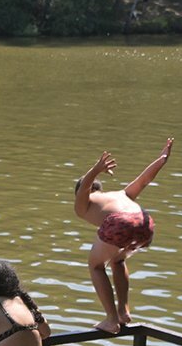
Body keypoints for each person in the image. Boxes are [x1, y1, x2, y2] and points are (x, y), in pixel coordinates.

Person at [73, 138, 174, 334]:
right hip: (145, 222)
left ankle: (111, 320)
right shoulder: (122, 194)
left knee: (95, 265)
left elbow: (84, 188)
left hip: (120, 223)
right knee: (117, 261)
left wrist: (95, 170)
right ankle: (123, 311)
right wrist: (161, 159)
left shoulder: (82, 204)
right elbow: (144, 180)